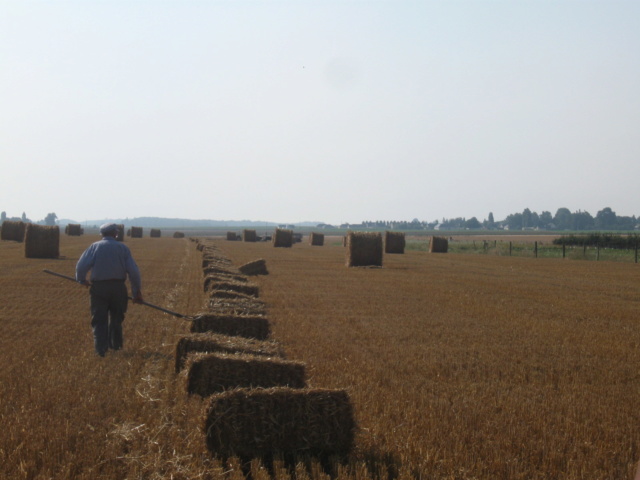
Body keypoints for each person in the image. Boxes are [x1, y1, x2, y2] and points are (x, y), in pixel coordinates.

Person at [76, 223, 143, 357]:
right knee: (117, 319)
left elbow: (81, 266)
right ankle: (116, 347)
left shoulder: (94, 247)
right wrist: (136, 293)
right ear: (115, 234)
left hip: (99, 288)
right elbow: (134, 272)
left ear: (102, 234)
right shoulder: (123, 248)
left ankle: (101, 350)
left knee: (99, 319)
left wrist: (82, 280)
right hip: (118, 288)